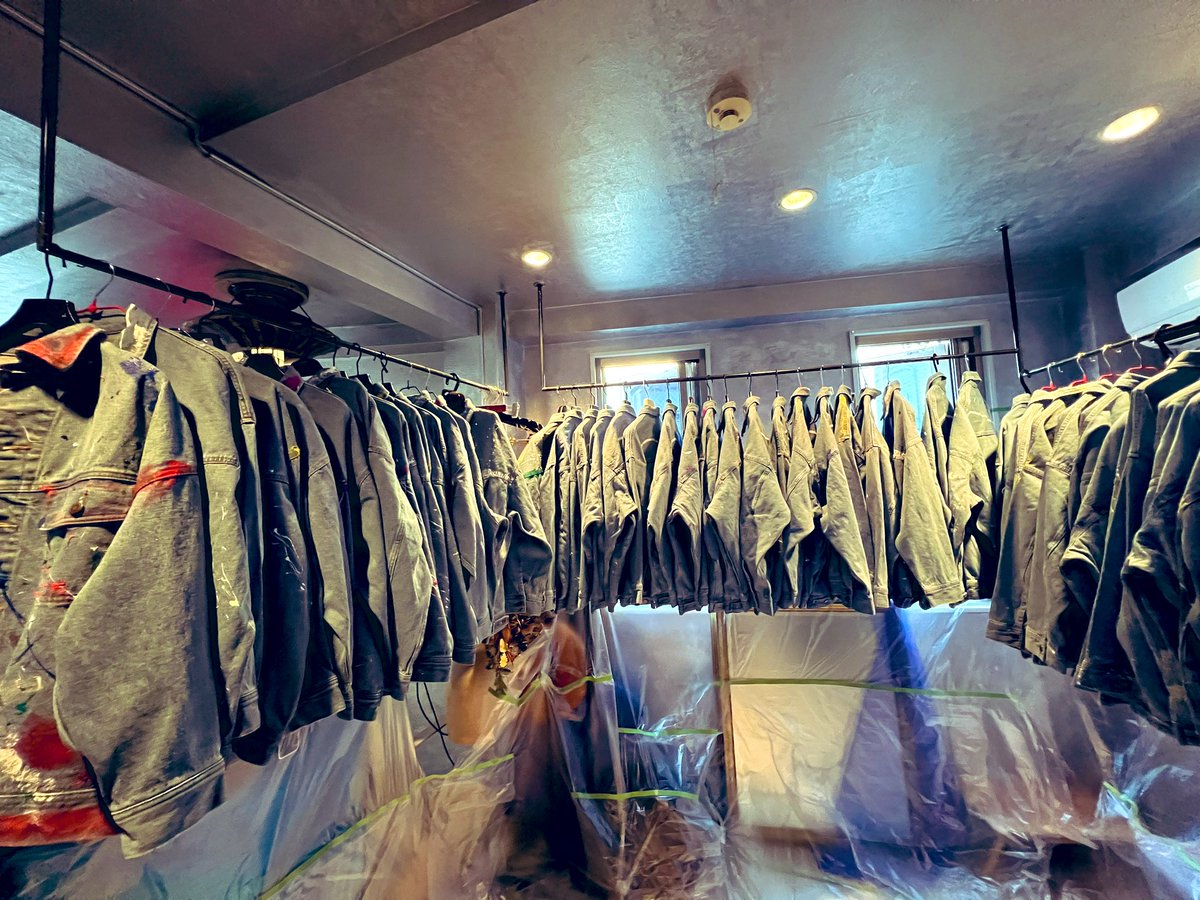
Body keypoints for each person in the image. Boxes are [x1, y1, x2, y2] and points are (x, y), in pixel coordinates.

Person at [445, 612, 595, 895]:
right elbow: (467, 728)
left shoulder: (545, 638)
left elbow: (466, 727)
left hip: (555, 823)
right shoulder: (514, 639)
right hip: (523, 823)